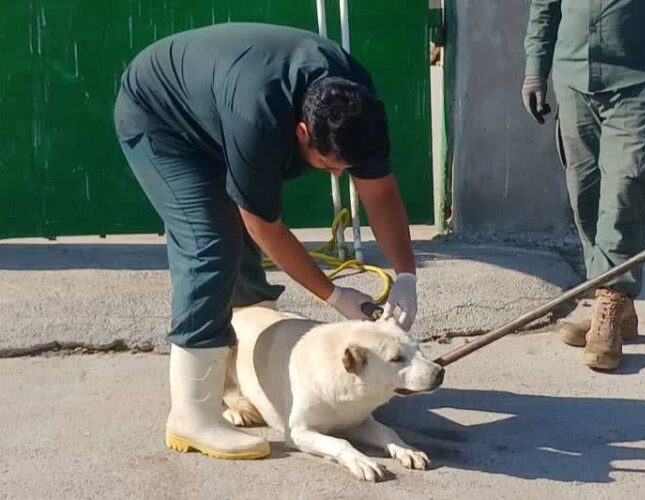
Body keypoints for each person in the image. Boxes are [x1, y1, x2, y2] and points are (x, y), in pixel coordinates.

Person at [114, 23, 418, 459]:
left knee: (234, 236)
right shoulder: (256, 118)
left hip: (216, 101)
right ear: (300, 133)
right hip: (160, 116)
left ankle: (246, 369)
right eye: (329, 164)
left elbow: (380, 191)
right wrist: (334, 295)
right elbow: (263, 225)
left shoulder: (360, 110)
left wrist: (405, 274)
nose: (337, 175)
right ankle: (193, 415)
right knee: (211, 244)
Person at [522, 1, 645, 371]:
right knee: (586, 193)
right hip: (575, 78)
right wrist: (536, 69)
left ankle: (611, 301)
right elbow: (544, 6)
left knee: (627, 189)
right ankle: (612, 300)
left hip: (641, 81)